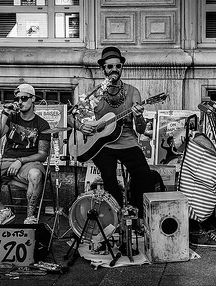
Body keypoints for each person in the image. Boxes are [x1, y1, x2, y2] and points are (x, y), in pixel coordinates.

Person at [70, 46, 155, 220]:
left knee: (144, 174)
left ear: (122, 68)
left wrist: (138, 117)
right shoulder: (96, 93)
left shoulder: (133, 92)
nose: (114, 70)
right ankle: (115, 218)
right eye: (110, 67)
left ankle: (137, 215)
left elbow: (140, 129)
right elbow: (72, 116)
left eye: (118, 66)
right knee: (108, 176)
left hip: (127, 140)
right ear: (103, 69)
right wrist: (81, 127)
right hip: (102, 144)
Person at [0, 84, 51, 225]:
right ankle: (3, 210)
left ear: (33, 100)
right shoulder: (11, 119)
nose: (20, 102)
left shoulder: (42, 124)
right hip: (6, 161)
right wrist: (5, 114)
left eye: (24, 98)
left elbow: (43, 155)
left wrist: (20, 161)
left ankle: (30, 217)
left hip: (29, 163)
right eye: (17, 99)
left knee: (36, 175)